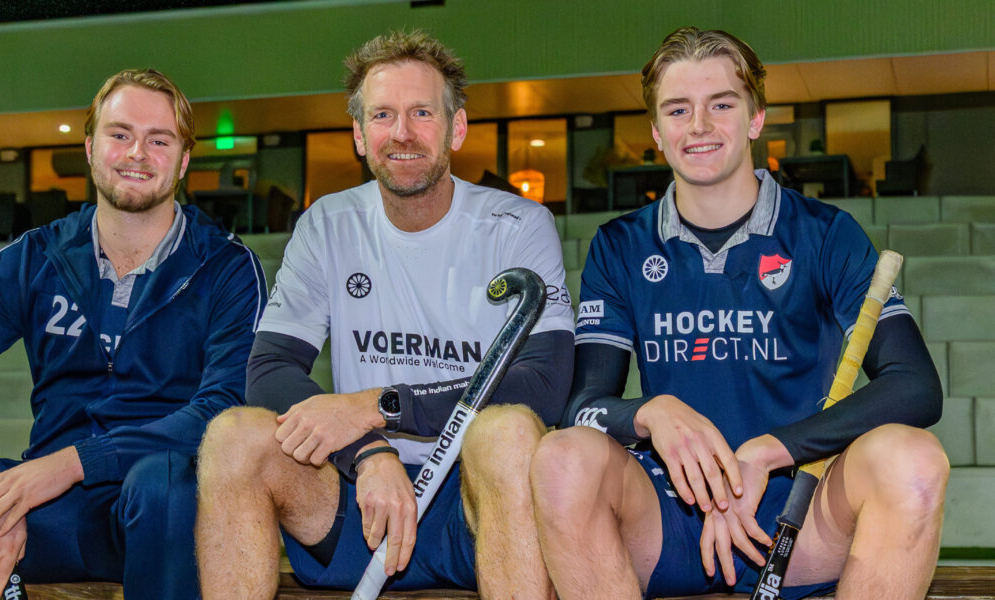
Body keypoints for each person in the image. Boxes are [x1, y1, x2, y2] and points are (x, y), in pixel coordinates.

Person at [531, 27, 948, 600]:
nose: (699, 125)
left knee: (914, 460)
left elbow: (916, 386)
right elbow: (583, 406)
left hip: (801, 507)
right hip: (673, 516)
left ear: (756, 119)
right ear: (657, 131)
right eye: (678, 109)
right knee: (561, 458)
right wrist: (650, 412)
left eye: (721, 105)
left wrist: (769, 449)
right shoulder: (620, 245)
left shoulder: (827, 234)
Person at [0, 68, 265, 600]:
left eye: (159, 140)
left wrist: (76, 463)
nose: (137, 153)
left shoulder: (225, 266)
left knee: (164, 483)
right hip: (46, 515)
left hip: (158, 517)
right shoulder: (38, 256)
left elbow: (224, 409)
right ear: (90, 147)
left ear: (184, 159)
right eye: (120, 134)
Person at [195, 30, 574, 598]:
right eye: (382, 115)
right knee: (232, 437)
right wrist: (369, 451)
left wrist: (377, 407)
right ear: (358, 134)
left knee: (509, 433)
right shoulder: (327, 223)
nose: (401, 133)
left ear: (456, 127)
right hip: (360, 497)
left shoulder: (518, 225)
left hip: (479, 502)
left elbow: (544, 385)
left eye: (422, 112)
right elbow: (269, 369)